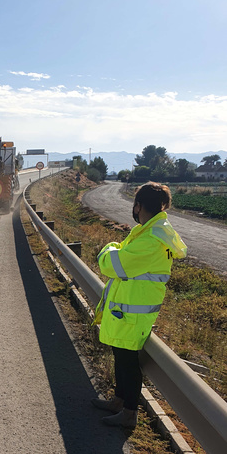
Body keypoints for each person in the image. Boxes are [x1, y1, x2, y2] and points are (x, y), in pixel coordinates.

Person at [92, 182, 187, 428]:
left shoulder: (152, 238)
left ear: (139, 205)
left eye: (135, 205)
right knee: (120, 354)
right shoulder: (149, 231)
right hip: (128, 308)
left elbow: (114, 264)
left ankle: (129, 413)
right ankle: (119, 400)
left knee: (128, 361)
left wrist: (108, 248)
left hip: (133, 312)